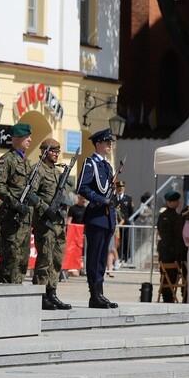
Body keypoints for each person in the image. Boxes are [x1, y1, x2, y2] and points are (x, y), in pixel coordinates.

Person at [78, 128, 118, 309]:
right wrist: (101, 199)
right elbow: (83, 187)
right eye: (107, 142)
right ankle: (94, 294)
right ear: (98, 144)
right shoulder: (90, 163)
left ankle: (100, 293)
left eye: (111, 142)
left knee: (102, 257)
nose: (110, 145)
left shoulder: (107, 166)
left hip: (108, 218)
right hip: (96, 216)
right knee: (94, 257)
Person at [0, 123, 35, 285]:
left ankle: (18, 297)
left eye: (30, 136)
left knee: (23, 261)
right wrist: (14, 203)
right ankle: (7, 297)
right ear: (16, 139)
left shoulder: (26, 162)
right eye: (26, 136)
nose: (30, 139)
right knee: (11, 260)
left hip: (25, 220)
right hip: (12, 217)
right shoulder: (7, 160)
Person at [31, 138, 71, 310]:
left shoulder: (56, 171)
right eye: (53, 151)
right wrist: (45, 208)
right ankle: (40, 294)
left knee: (56, 259)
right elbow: (31, 194)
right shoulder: (38, 169)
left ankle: (51, 292)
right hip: (45, 222)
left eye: (58, 151)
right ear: (45, 151)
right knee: (45, 259)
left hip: (58, 224)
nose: (56, 154)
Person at [157, 191, 187, 303]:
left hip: (177, 252)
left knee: (174, 277)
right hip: (168, 253)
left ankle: (170, 297)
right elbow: (165, 237)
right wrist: (173, 252)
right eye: (175, 201)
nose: (177, 203)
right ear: (170, 202)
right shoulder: (165, 216)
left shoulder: (176, 216)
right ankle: (167, 299)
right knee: (167, 277)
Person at [112, 181, 133, 266]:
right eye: (118, 187)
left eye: (122, 187)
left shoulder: (128, 198)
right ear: (116, 188)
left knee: (125, 240)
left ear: (124, 188)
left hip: (125, 223)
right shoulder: (112, 198)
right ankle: (117, 258)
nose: (120, 189)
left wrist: (127, 220)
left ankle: (125, 258)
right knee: (116, 241)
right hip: (115, 223)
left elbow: (131, 211)